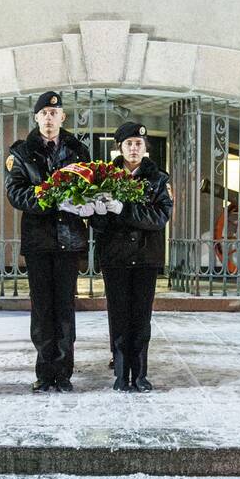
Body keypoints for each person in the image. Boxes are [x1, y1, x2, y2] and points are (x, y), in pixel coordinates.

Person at [5, 91, 92, 393]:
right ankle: (45, 372)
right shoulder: (21, 153)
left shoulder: (78, 151)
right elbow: (15, 193)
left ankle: (64, 373)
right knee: (42, 309)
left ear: (62, 117)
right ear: (37, 118)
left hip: (69, 241)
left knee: (65, 309)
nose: (49, 118)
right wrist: (47, 196)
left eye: (54, 113)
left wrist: (80, 202)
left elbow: (89, 190)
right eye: (44, 113)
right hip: (39, 243)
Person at [91, 122, 173, 392]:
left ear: (145, 146)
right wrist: (99, 213)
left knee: (141, 317)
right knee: (118, 315)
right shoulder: (105, 177)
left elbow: (160, 217)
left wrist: (123, 210)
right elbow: (97, 223)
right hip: (115, 257)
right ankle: (120, 374)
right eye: (129, 144)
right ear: (120, 147)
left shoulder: (159, 178)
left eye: (139, 143)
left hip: (146, 256)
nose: (134, 148)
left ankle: (139, 374)